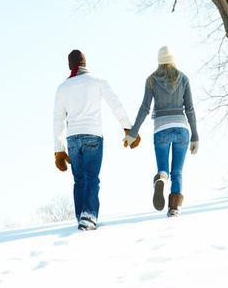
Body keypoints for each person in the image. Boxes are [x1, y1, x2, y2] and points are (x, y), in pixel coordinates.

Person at [53, 49, 140, 231]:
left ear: (70, 66)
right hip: (92, 135)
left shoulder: (62, 88)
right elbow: (115, 104)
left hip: (72, 138)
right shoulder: (97, 81)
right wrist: (128, 128)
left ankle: (81, 216)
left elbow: (58, 119)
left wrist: (59, 149)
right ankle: (89, 216)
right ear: (85, 63)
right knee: (91, 177)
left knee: (79, 179)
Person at [124, 46, 199, 217]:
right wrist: (195, 135)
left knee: (164, 170)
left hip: (161, 129)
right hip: (182, 129)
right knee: (178, 171)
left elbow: (144, 108)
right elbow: (190, 109)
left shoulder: (151, 80)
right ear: (173, 60)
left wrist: (133, 133)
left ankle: (161, 179)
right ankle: (174, 209)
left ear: (159, 61)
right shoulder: (184, 78)